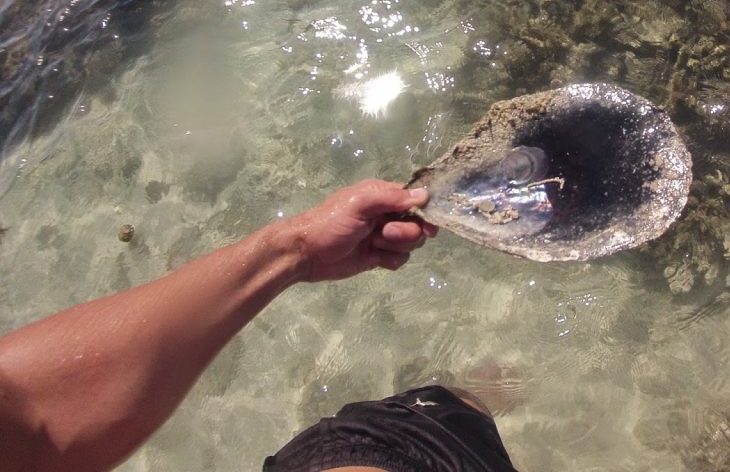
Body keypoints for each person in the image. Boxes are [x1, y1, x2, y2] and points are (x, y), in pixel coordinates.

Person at [0, 180, 520, 472]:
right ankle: (476, 398)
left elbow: (33, 414)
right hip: (400, 456)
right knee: (450, 409)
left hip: (354, 455)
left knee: (447, 405)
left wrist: (292, 251)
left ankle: (470, 399)